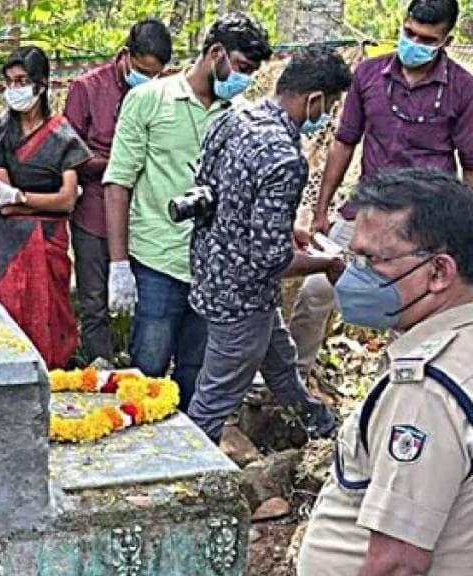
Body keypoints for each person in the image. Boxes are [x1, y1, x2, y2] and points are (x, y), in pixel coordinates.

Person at [298, 168, 473, 576]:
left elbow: (398, 563)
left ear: (439, 272)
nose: (351, 273)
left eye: (371, 260)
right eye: (352, 255)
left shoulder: (425, 392)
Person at [289, 0, 473, 381]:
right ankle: (294, 381)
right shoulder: (369, 74)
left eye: (426, 39)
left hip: (426, 226)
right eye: (409, 33)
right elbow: (345, 141)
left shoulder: (463, 89)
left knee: (415, 310)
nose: (414, 43)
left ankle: (396, 388)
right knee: (315, 293)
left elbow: (470, 165)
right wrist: (322, 208)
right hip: (364, 214)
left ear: (446, 41)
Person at [103, 12, 272, 410]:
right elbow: (118, 182)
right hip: (159, 258)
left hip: (215, 267)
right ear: (215, 53)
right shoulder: (148, 100)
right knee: (147, 368)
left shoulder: (240, 116)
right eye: (241, 68)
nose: (243, 79)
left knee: (196, 373)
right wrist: (118, 265)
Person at [185, 46, 352, 443]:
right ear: (314, 100)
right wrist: (327, 262)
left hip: (211, 277)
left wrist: (287, 231)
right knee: (214, 399)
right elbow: (270, 259)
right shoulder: (284, 157)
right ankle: (186, 482)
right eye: (329, 105)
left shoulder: (232, 119)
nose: (325, 114)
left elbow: (219, 200)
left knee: (281, 364)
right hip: (242, 299)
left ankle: (319, 428)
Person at [64, 19, 172, 363]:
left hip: (145, 213)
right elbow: (68, 154)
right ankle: (100, 364)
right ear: (125, 55)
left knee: (150, 300)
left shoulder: (164, 94)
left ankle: (141, 370)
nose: (147, 81)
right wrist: (118, 163)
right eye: (141, 71)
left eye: (155, 75)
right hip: (94, 212)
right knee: (94, 299)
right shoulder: (86, 88)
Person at [0, 46, 91, 369]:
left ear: (41, 85)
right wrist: (40, 203)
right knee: (6, 319)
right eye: (9, 82)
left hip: (50, 241)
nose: (14, 89)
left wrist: (22, 199)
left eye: (22, 81)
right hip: (5, 244)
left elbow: (67, 199)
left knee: (51, 320)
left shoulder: (62, 134)